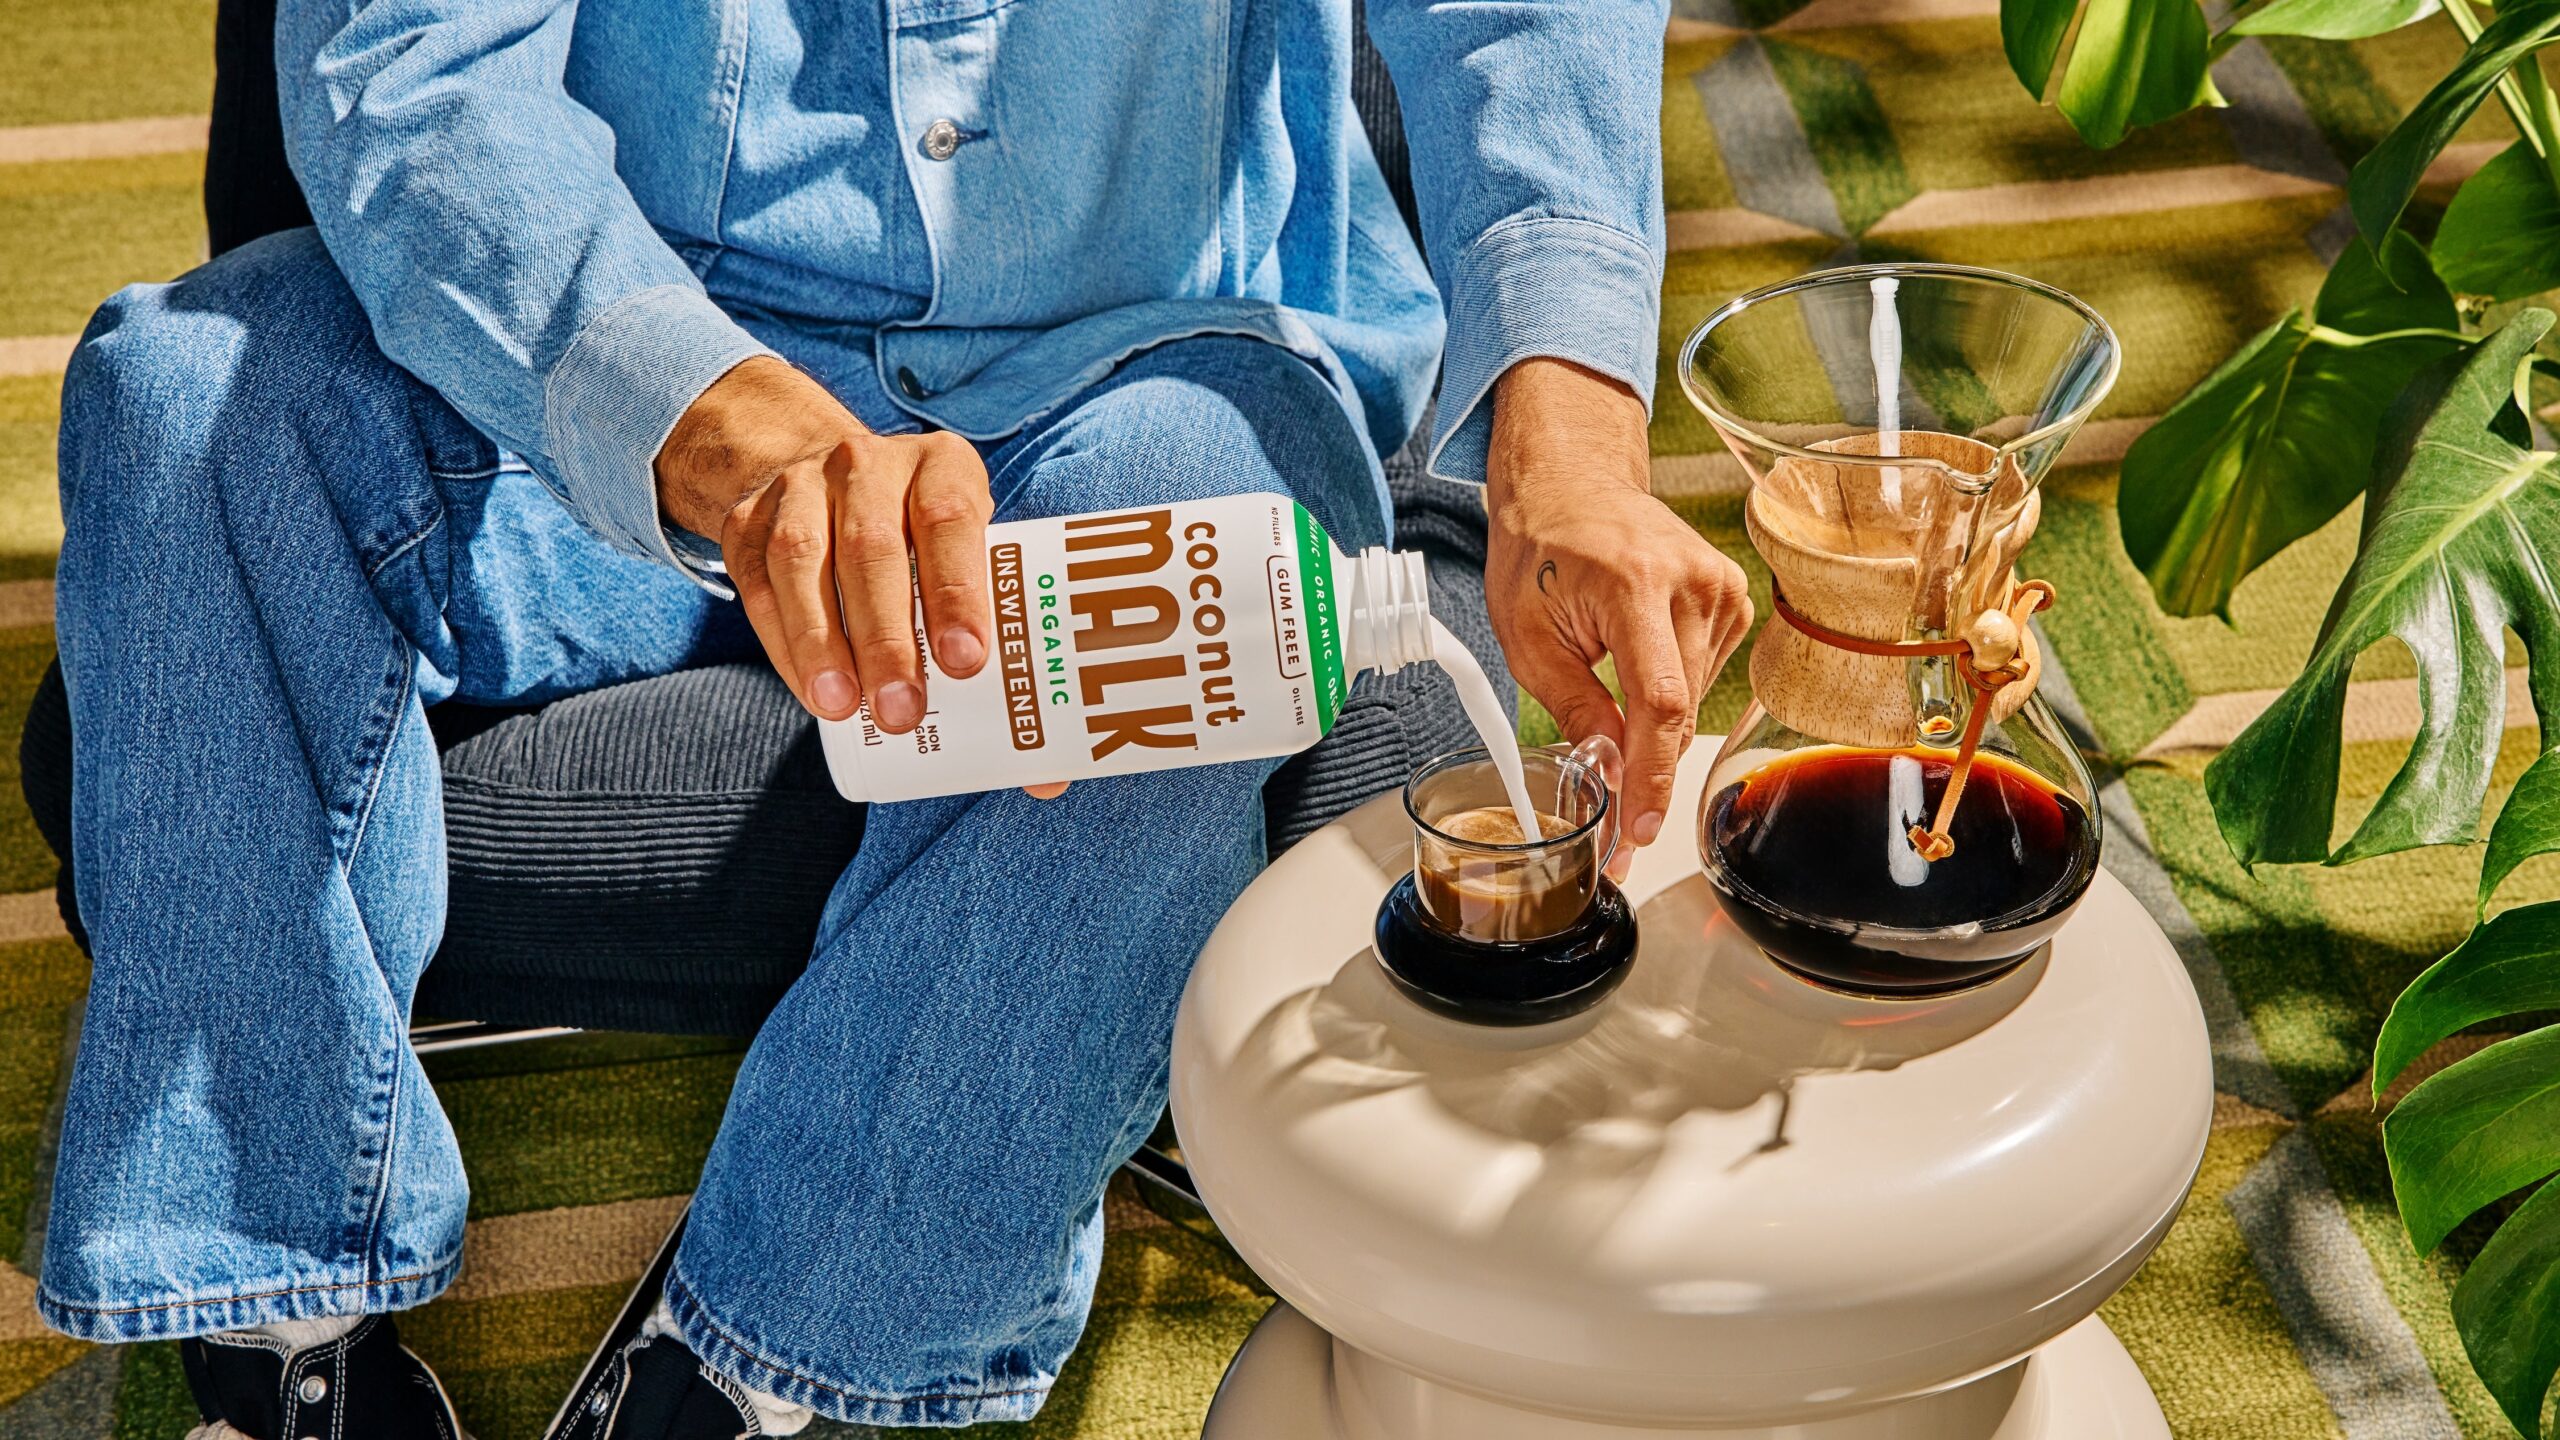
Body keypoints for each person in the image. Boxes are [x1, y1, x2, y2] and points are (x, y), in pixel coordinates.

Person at [42, 0, 1752, 1434]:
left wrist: (1568, 427)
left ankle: (764, 1372)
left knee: (1175, 585)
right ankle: (283, 1330)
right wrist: (701, 405)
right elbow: (404, 65)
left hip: (1144, 346)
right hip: (599, 345)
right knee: (182, 398)